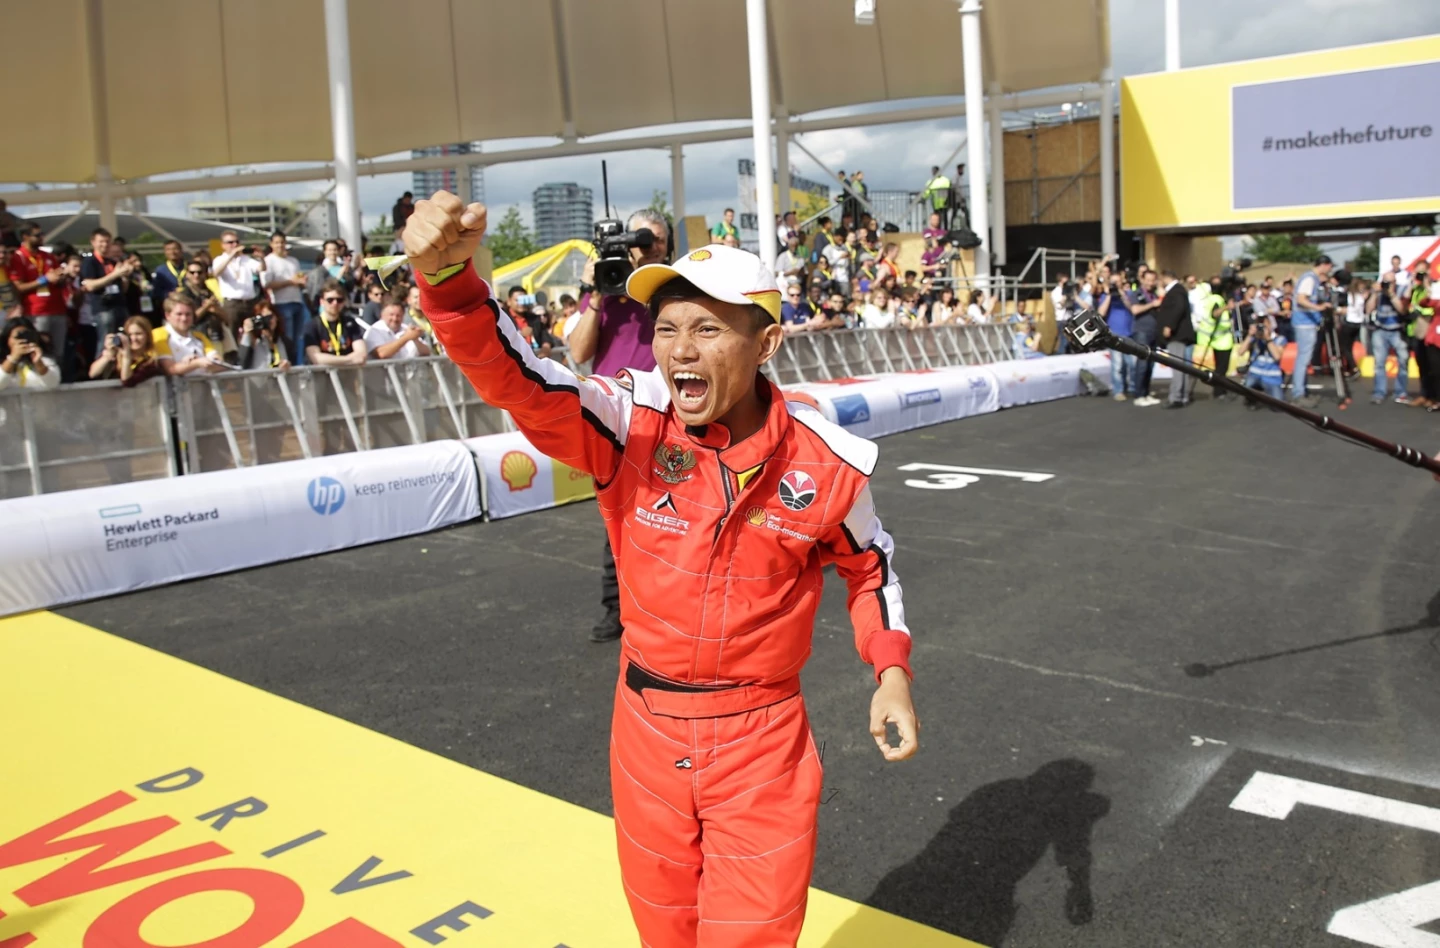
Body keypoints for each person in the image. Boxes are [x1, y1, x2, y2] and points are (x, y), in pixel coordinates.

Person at [404, 193, 918, 948]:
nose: (679, 349)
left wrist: (891, 671)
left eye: (707, 329)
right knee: (664, 938)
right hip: (644, 736)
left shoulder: (826, 463)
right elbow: (524, 384)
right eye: (667, 328)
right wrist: (451, 285)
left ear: (767, 342)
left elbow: (870, 569)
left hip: (762, 744)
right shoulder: (629, 421)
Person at [11, 224, 71, 364]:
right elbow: (18, 287)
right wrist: (44, 279)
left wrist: (62, 277)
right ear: (25, 237)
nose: (42, 237)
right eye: (37, 235)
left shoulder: (47, 256)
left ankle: (56, 376)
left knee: (58, 353)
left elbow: (57, 280)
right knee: (37, 351)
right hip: (35, 312)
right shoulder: (19, 257)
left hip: (58, 310)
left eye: (42, 234)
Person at [1289, 255, 1333, 407]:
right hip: (1304, 323)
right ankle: (1298, 394)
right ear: (1324, 265)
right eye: (1330, 266)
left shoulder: (1311, 278)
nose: (1330, 270)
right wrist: (1318, 307)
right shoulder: (1310, 278)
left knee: (1303, 359)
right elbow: (1301, 299)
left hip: (1305, 323)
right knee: (1303, 359)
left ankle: (1302, 390)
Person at [261, 232, 310, 365]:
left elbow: (298, 280)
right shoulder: (268, 261)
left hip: (297, 301)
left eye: (282, 242)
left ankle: (298, 365)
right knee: (287, 338)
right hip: (281, 303)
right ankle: (287, 364)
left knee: (299, 339)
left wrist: (301, 281)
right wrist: (290, 282)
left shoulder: (293, 261)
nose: (280, 245)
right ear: (271, 244)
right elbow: (267, 284)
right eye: (277, 242)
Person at [152, 294, 223, 376]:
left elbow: (218, 361)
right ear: (168, 315)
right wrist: (196, 363)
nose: (184, 318)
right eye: (179, 314)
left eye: (188, 314)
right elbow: (170, 369)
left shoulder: (199, 336)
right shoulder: (158, 334)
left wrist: (209, 361)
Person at [1155, 269, 1196, 408]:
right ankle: (1182, 395)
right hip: (1179, 335)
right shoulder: (1178, 290)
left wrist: (1169, 325)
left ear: (1166, 277)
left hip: (1177, 335)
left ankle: (1176, 397)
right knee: (1181, 366)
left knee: (1177, 366)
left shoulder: (1176, 291)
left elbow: (1179, 307)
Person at [302, 281, 368, 366]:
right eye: (330, 300)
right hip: (323, 374)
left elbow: (362, 354)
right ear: (321, 302)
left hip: (348, 373)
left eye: (339, 300)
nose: (335, 303)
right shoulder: (312, 325)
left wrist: (334, 360)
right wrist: (349, 359)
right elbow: (317, 358)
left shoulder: (350, 322)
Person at [1367, 272, 1410, 404]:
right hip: (1380, 330)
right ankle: (1379, 392)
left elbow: (1402, 309)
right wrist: (1374, 294)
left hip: (1397, 330)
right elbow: (1368, 310)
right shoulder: (1379, 294)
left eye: (1390, 282)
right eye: (1385, 282)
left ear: (1395, 282)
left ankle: (1400, 392)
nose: (1387, 285)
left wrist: (1391, 294)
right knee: (1379, 363)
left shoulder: (1400, 291)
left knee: (1403, 361)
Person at [211, 229, 263, 332]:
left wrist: (262, 258)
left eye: (237, 242)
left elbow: (261, 268)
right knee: (232, 332)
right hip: (232, 304)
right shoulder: (219, 259)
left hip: (248, 303)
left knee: (252, 333)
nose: (234, 245)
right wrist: (231, 255)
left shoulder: (245, 259)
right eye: (230, 242)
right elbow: (216, 273)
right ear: (223, 245)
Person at [89, 315, 162, 386]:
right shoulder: (117, 353)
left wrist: (126, 357)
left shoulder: (151, 361)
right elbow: (93, 374)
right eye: (130, 335)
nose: (134, 338)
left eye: (138, 334)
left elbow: (127, 381)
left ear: (147, 336)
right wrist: (107, 356)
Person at [1194, 279, 1235, 399]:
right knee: (1222, 368)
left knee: (1220, 367)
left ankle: (1220, 389)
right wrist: (1227, 307)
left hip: (1218, 339)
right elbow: (1215, 314)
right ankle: (1219, 391)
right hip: (1222, 341)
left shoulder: (1211, 299)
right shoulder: (1217, 300)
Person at [1237, 312, 1284, 406]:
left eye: (1264, 324)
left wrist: (1268, 339)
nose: (1261, 327)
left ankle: (1265, 394)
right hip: (1255, 373)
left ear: (1270, 324)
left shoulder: (1279, 339)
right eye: (1259, 324)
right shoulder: (1255, 338)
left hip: (1271, 376)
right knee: (1247, 392)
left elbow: (1277, 356)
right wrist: (1250, 335)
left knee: (1278, 405)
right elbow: (1240, 352)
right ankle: (1255, 396)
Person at [0, 317, 60, 391]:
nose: (23, 340)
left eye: (26, 336)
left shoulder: (45, 359)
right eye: (17, 337)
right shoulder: (2, 361)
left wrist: (39, 363)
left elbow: (53, 384)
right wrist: (12, 359)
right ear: (7, 339)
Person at [364, 298, 430, 360]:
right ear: (382, 314)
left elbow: (426, 352)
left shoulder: (406, 328)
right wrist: (406, 338)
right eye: (391, 315)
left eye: (398, 315)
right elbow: (381, 354)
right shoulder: (375, 330)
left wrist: (416, 339)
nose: (395, 319)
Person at [237, 300, 293, 370]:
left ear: (277, 318)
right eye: (264, 318)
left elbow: (294, 366)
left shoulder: (285, 342)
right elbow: (241, 363)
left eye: (270, 317)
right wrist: (247, 334)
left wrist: (287, 365)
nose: (268, 321)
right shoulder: (253, 340)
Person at [150, 240, 187, 310]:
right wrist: (168, 294)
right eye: (168, 250)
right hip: (170, 304)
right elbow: (156, 291)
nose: (172, 252)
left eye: (175, 249)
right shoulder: (160, 270)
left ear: (181, 251)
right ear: (165, 252)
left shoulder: (190, 267)